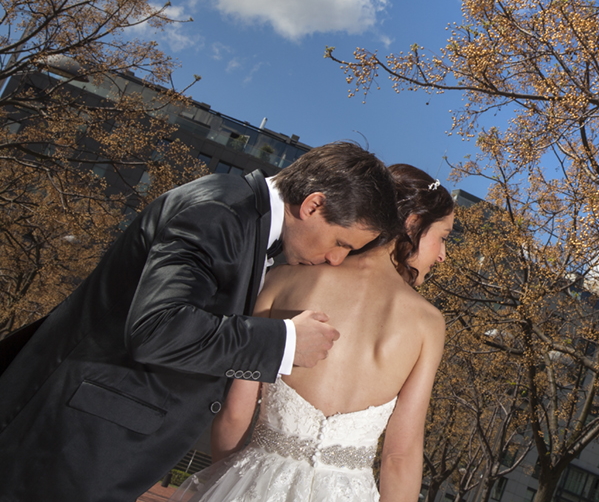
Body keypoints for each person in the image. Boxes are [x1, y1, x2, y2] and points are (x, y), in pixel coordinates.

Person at [0, 141, 401, 502]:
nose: (335, 259)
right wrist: (284, 342)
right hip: (69, 442)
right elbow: (156, 328)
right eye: (341, 243)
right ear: (313, 205)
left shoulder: (243, 217)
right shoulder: (220, 213)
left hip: (92, 441)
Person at [173, 163, 453, 502]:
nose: (442, 255)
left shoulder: (283, 279)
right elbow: (400, 456)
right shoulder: (428, 324)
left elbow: (235, 412)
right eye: (443, 237)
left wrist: (227, 483)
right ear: (413, 223)